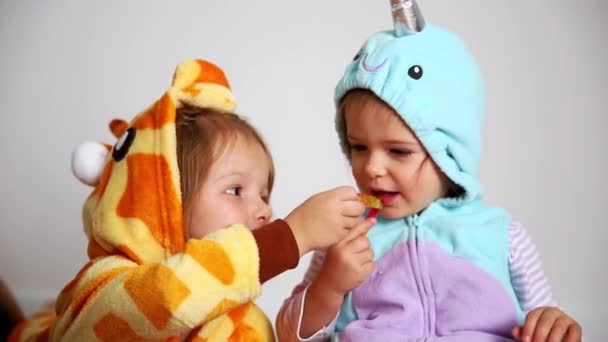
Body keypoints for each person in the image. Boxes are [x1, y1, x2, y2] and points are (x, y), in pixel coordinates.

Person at [276, 1, 582, 341]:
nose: (373, 168)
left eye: (399, 151)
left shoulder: (504, 237)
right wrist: (329, 286)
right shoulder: (344, 237)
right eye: (359, 147)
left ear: (450, 152)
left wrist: (553, 324)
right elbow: (288, 334)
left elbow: (546, 318)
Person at [9, 59, 370, 341]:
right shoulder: (107, 286)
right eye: (235, 190)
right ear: (166, 203)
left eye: (264, 194)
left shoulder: (238, 324)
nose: (265, 210)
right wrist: (290, 237)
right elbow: (167, 297)